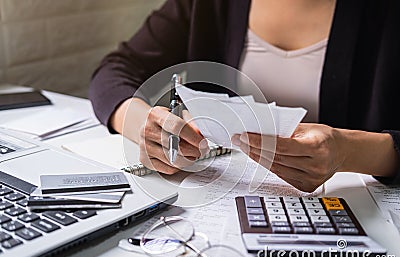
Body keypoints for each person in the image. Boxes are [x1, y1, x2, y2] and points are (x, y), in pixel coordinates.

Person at [89, 0, 400, 192]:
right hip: (221, 201)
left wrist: (350, 152)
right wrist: (143, 125)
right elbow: (115, 70)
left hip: (358, 215)